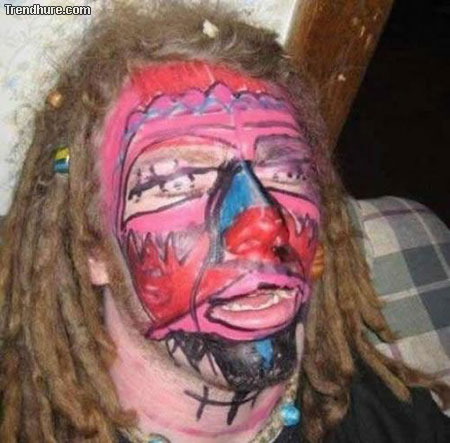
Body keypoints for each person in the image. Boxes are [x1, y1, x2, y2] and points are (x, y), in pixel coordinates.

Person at [0, 2, 449, 442]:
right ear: (91, 246)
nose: (264, 224)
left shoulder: (396, 420)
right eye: (180, 182)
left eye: (286, 173)